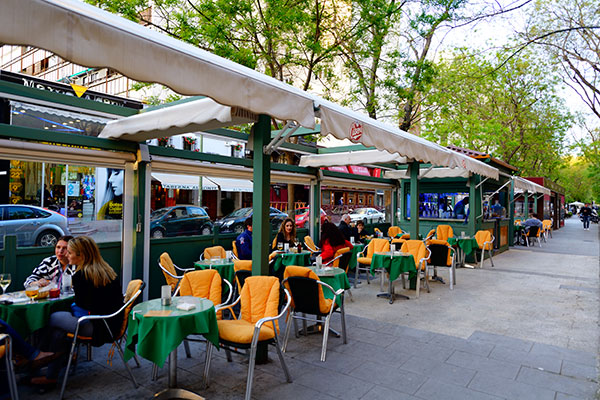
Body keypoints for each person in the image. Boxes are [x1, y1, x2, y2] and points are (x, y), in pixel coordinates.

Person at [34, 236, 123, 386]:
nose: (66, 255)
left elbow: (81, 308)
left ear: (81, 255)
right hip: (112, 324)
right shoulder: (105, 270)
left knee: (49, 317)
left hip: (96, 327)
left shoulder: (81, 276)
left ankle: (37, 358)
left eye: (69, 252)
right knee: (59, 333)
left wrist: (71, 308)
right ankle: (50, 374)